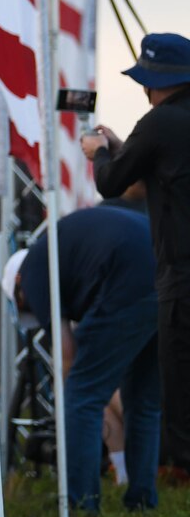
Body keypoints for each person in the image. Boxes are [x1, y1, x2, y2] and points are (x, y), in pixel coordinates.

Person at [84, 30, 190, 477]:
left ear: (156, 82)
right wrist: (124, 149)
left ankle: (177, 484)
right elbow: (166, 166)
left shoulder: (160, 121)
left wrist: (99, 153)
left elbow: (112, 184)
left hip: (182, 276)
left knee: (179, 390)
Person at [12, 195, 159, 512]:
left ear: (17, 288)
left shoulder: (33, 273)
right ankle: (142, 500)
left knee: (81, 396)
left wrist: (80, 393)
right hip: (167, 269)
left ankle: (81, 505)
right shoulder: (58, 249)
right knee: (144, 402)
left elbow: (67, 358)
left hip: (126, 273)